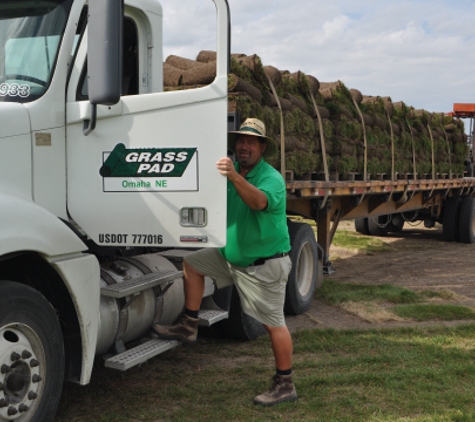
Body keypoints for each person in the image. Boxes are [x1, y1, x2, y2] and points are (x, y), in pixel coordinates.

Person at [153, 118, 297, 406]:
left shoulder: (271, 178)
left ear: (262, 147)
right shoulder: (231, 173)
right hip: (231, 259)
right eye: (240, 141)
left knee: (273, 324)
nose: (244, 146)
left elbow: (258, 202)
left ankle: (285, 384)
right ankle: (189, 324)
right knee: (192, 264)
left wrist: (233, 177)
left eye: (251, 142)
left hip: (263, 265)